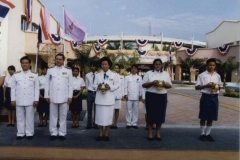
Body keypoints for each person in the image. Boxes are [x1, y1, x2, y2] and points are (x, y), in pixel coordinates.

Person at [44, 53, 73, 141]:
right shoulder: (50, 70)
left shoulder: (68, 71)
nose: (58, 61)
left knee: (63, 116)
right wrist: (46, 95)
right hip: (53, 96)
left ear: (63, 60)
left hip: (64, 97)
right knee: (53, 116)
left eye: (60, 59)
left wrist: (70, 96)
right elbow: (47, 84)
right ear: (55, 60)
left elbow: (70, 85)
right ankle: (53, 132)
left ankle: (62, 133)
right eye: (57, 59)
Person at [142, 58, 172, 141]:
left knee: (160, 115)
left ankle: (158, 133)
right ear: (153, 65)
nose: (158, 65)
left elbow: (170, 85)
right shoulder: (148, 73)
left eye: (159, 64)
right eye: (156, 64)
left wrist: (164, 83)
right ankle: (150, 133)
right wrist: (152, 83)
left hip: (162, 96)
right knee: (151, 114)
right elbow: (143, 84)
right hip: (151, 95)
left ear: (161, 65)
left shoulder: (165, 74)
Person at [11, 56, 39, 140]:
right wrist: (13, 99)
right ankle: (20, 133)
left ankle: (29, 133)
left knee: (30, 117)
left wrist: (36, 99)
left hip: (30, 100)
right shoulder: (16, 75)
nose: (25, 64)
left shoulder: (34, 75)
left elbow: (36, 88)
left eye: (26, 63)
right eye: (23, 63)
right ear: (21, 64)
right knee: (19, 117)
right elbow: (13, 88)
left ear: (29, 64)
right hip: (19, 99)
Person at [195, 58, 222, 142]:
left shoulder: (217, 76)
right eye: (210, 65)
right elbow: (197, 87)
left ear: (215, 66)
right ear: (207, 65)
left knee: (211, 116)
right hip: (205, 97)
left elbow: (220, 86)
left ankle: (208, 134)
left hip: (214, 97)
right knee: (203, 116)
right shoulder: (201, 75)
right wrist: (206, 85)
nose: (211, 67)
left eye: (213, 65)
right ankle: (202, 134)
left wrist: (217, 87)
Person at [93, 57, 119, 141]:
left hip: (109, 99)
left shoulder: (114, 75)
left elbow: (117, 85)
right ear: (101, 65)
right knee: (99, 118)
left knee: (108, 118)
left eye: (106, 64)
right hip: (100, 99)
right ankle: (100, 134)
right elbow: (92, 85)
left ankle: (106, 134)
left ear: (109, 65)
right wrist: (98, 86)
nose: (104, 66)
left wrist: (110, 87)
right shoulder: (97, 75)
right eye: (103, 64)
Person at [124, 64, 142, 129]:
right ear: (130, 69)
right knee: (128, 110)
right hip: (129, 96)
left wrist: (140, 95)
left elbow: (140, 87)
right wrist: (125, 94)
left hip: (136, 96)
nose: (133, 70)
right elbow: (125, 86)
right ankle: (128, 123)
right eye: (132, 68)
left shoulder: (139, 78)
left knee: (135, 110)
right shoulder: (127, 77)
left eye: (135, 68)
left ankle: (134, 123)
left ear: (137, 70)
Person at [110, 64, 124, 129]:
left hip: (118, 95)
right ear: (113, 69)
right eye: (115, 68)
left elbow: (122, 86)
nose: (116, 69)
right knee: (110, 109)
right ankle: (110, 123)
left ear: (119, 69)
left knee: (117, 109)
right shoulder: (110, 76)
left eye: (117, 68)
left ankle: (115, 123)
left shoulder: (122, 77)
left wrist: (123, 94)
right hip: (111, 94)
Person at [85, 61, 98, 129]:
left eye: (94, 66)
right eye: (91, 66)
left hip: (96, 93)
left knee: (96, 109)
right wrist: (88, 92)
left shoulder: (99, 75)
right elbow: (86, 85)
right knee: (89, 109)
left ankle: (95, 123)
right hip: (90, 93)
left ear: (96, 67)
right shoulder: (87, 75)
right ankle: (89, 124)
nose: (92, 67)